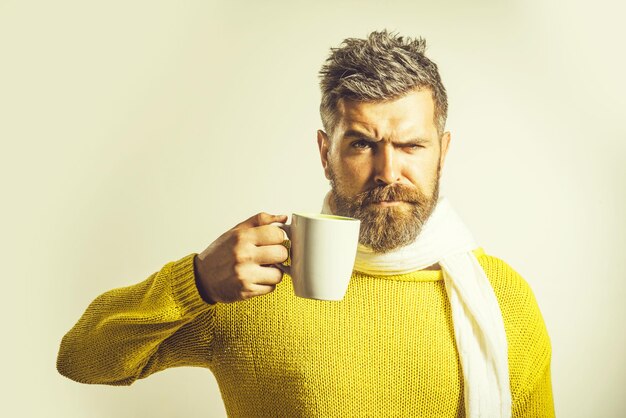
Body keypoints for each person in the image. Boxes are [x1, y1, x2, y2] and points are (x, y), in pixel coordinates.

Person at [57, 30, 555, 417]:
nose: (387, 172)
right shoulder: (251, 283)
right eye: (362, 143)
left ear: (442, 153)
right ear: (325, 152)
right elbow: (81, 358)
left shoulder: (503, 301)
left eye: (410, 146)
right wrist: (196, 283)